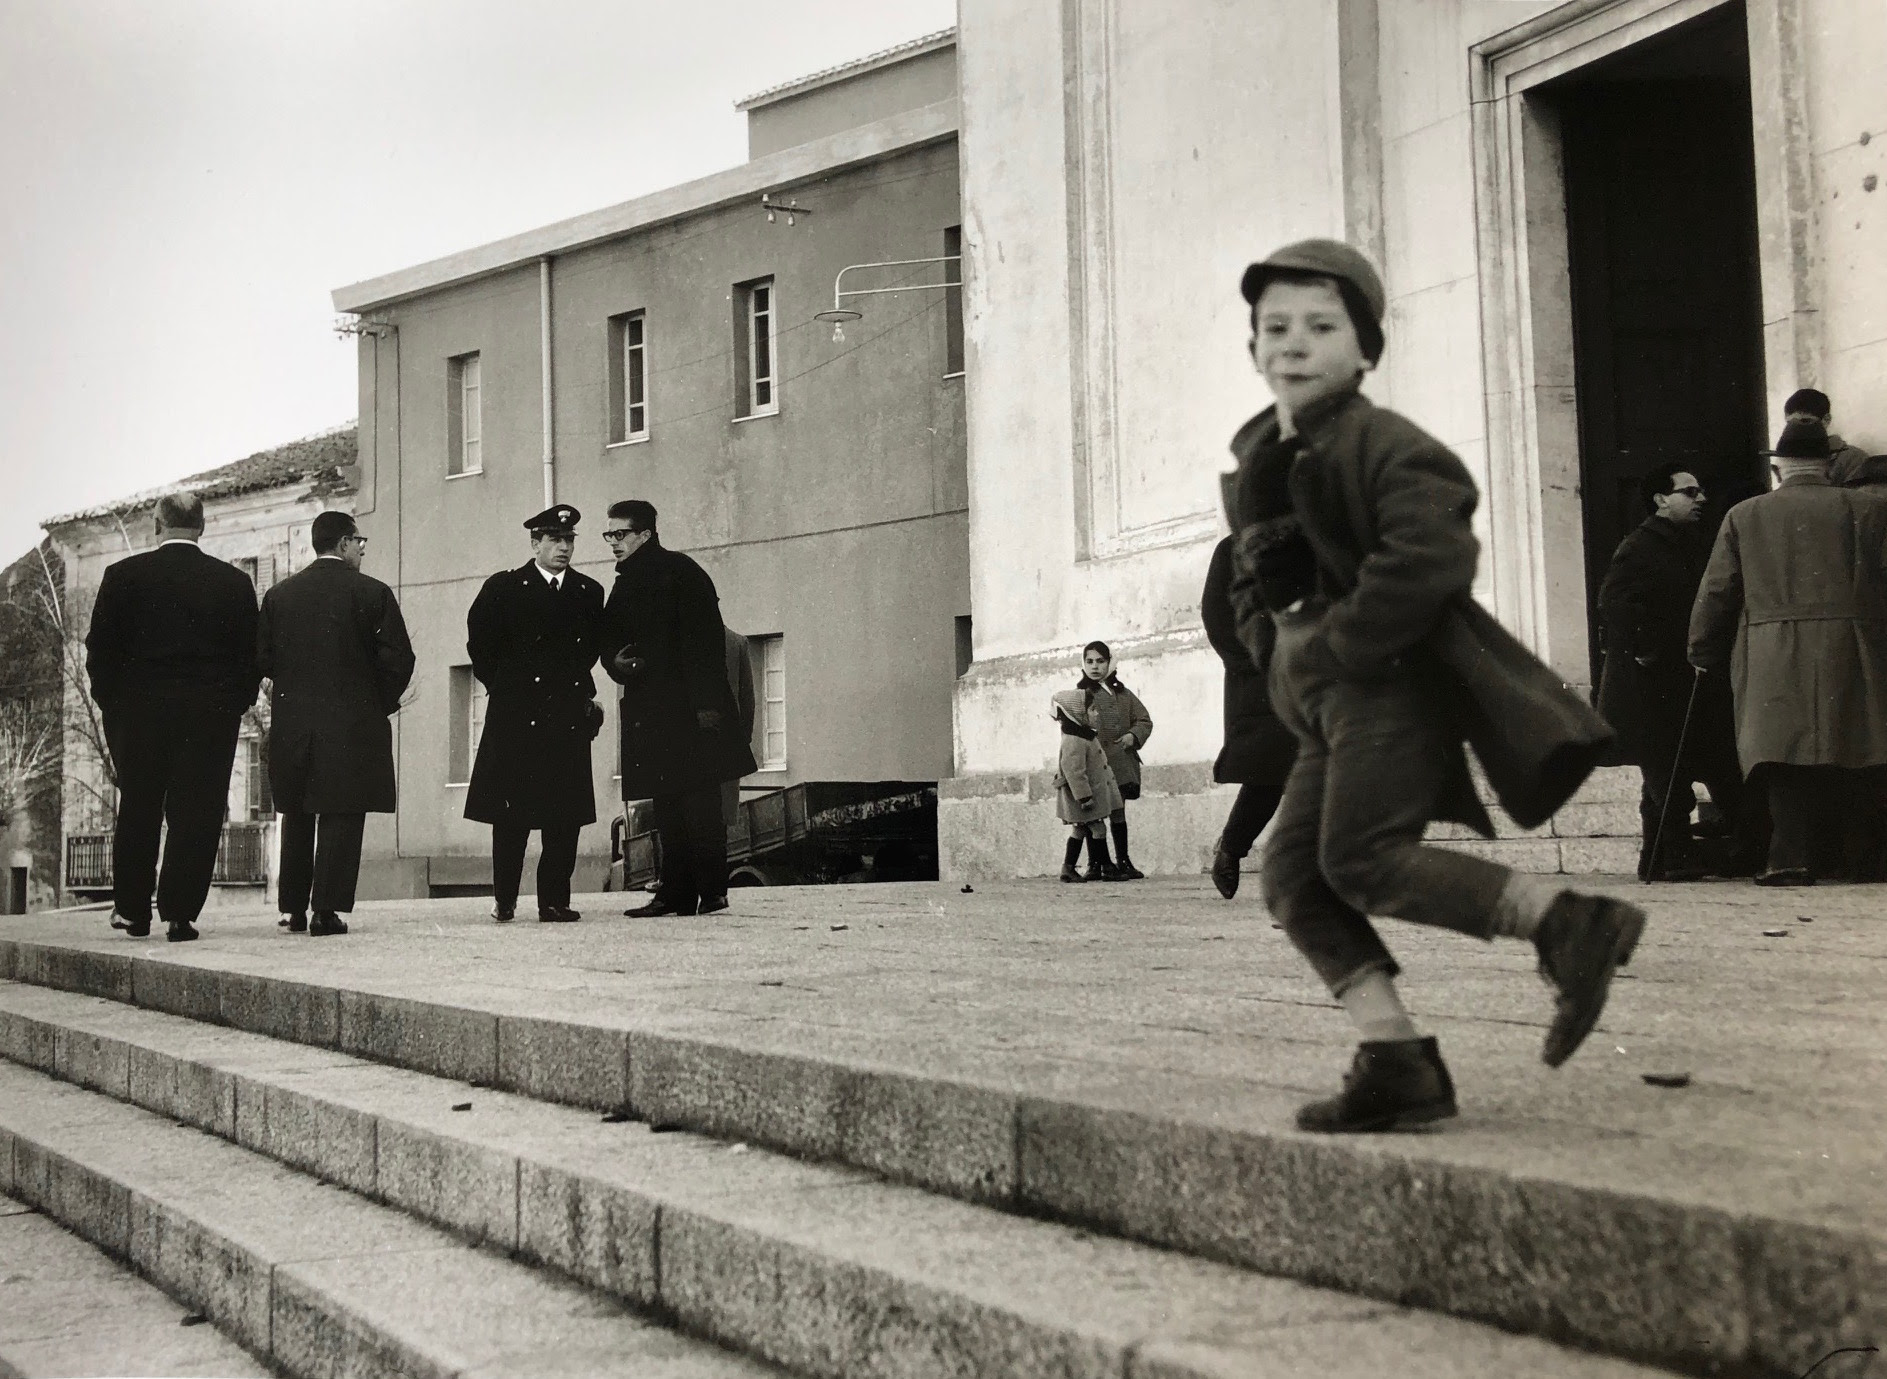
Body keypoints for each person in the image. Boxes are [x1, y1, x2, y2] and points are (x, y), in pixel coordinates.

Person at [1226, 238, 1643, 1133]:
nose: (1293, 344)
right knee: (1297, 879)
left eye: (1321, 326)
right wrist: (1269, 647)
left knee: (1362, 859)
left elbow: (1431, 551)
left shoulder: (1387, 444)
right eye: (1274, 328)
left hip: (1390, 688)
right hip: (1321, 708)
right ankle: (1395, 1059)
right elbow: (1249, 571)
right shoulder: (1263, 453)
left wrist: (1335, 641)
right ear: (1253, 347)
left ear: (1365, 348)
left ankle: (1568, 920)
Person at [1689, 420, 1887, 885]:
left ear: (1778, 467)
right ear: (1830, 463)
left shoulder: (1743, 515)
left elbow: (1718, 590)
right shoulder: (1870, 510)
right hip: (1853, 642)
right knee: (1859, 747)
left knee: (1784, 753)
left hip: (1772, 649)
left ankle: (1789, 857)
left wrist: (1702, 648)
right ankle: (1865, 860)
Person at [85, 491, 260, 942]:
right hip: (209, 718)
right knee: (198, 813)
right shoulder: (234, 584)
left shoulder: (122, 577)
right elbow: (250, 660)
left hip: (138, 718)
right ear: (201, 527)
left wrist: (114, 708)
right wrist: (231, 707)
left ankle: (132, 911)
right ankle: (181, 915)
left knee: (139, 809)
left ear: (156, 525)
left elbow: (99, 654)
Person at [256, 511, 415, 936]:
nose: (362, 549)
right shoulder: (373, 593)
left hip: (295, 725)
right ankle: (325, 911)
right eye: (359, 541)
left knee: (297, 813)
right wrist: (376, 704)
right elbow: (399, 660)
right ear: (344, 544)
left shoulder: (278, 595)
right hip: (351, 727)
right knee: (342, 816)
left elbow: (264, 660)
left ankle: (292, 909)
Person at [1594, 463, 1756, 881]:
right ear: (1661, 500)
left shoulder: (1686, 542)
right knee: (1666, 769)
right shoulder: (1641, 545)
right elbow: (1615, 604)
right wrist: (1647, 650)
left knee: (1674, 766)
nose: (1700, 498)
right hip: (1650, 683)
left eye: (1700, 491)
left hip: (1677, 680)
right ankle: (1673, 855)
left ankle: (1660, 856)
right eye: (1689, 492)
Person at [601, 501, 755, 918]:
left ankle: (710, 891)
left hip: (690, 712)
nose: (613, 543)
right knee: (669, 805)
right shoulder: (625, 582)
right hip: (653, 711)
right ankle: (678, 894)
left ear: (645, 535)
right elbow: (609, 640)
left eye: (621, 534)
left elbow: (707, 646)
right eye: (609, 535)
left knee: (699, 804)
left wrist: (707, 708)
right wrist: (615, 664)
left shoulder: (683, 573)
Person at [464, 505, 606, 922]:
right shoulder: (504, 589)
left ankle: (554, 901)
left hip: (565, 718)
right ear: (535, 544)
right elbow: (480, 647)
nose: (563, 548)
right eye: (555, 540)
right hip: (516, 719)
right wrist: (506, 689)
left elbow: (590, 649)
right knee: (512, 818)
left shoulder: (587, 592)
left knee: (565, 817)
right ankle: (504, 899)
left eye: (569, 541)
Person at [1201, 533, 1298, 898]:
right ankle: (1232, 847)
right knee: (1270, 770)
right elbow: (1216, 615)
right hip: (1261, 678)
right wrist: (1250, 661)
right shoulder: (1233, 549)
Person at [1078, 641, 1153, 879]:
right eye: (1090, 661)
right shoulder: (1081, 696)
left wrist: (1133, 735)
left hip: (1120, 763)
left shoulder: (1124, 694)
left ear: (1110, 663)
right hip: (1096, 764)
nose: (1095, 666)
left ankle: (1123, 860)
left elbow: (1144, 720)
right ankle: (1095, 864)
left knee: (1118, 811)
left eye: (1101, 661)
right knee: (1094, 813)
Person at [1051, 688, 1124, 881]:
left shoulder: (1083, 735)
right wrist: (1084, 797)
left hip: (1088, 795)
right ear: (1078, 714)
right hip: (1083, 798)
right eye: (1092, 710)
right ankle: (1106, 866)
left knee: (1081, 829)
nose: (1096, 713)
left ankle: (1068, 868)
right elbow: (1074, 771)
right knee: (1098, 829)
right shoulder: (1074, 740)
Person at [1783, 388, 1881, 488]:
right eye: (1790, 423)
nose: (1797, 428)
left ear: (1826, 420)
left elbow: (1857, 499)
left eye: (1805, 421)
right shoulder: (1787, 458)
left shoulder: (1853, 458)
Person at [722, 626, 757, 828]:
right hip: (729, 745)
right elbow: (748, 699)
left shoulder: (683, 638)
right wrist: (742, 741)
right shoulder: (737, 642)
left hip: (691, 750)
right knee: (723, 825)